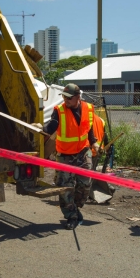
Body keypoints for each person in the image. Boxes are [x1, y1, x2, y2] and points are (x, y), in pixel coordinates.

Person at [42, 83, 98, 230]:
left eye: (69, 98)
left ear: (78, 97)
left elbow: (89, 127)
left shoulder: (88, 108)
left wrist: (94, 143)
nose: (65, 100)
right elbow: (51, 127)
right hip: (65, 154)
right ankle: (71, 216)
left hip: (83, 151)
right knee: (64, 187)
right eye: (63, 97)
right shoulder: (59, 111)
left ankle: (76, 207)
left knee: (85, 184)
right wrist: (40, 128)